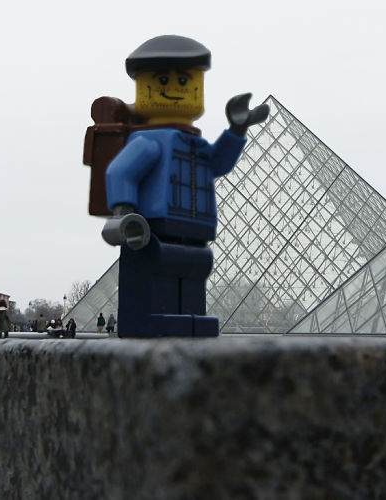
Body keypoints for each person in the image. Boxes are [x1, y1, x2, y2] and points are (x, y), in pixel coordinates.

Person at [97, 35, 267, 338]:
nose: (176, 88)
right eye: (163, 80)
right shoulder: (150, 140)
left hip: (195, 234)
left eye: (186, 81)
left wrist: (237, 130)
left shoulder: (194, 143)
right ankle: (155, 320)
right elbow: (120, 171)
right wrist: (124, 211)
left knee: (192, 275)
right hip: (153, 231)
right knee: (156, 275)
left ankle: (190, 319)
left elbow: (218, 163)